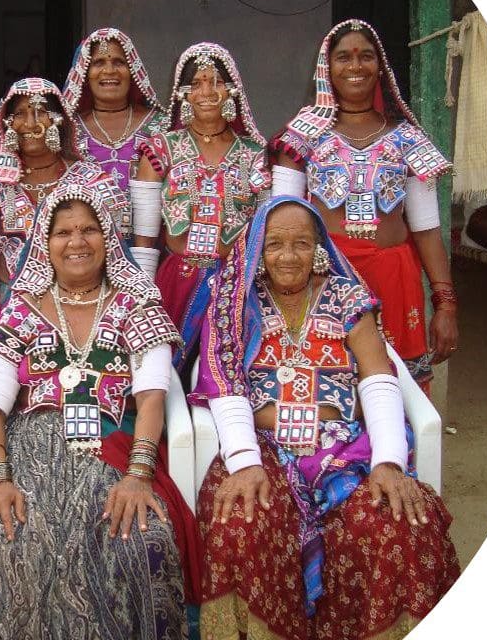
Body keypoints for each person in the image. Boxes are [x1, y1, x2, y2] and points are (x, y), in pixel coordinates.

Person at [190, 196, 460, 640]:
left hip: (341, 448)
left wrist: (389, 462)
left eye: (301, 243)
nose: (288, 256)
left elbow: (378, 376)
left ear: (319, 246)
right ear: (258, 247)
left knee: (397, 525)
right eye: (275, 244)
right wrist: (244, 461)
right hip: (264, 448)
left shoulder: (345, 296)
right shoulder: (234, 303)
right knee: (238, 519)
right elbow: (227, 385)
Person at [0, 181, 199, 640]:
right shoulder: (22, 309)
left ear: (109, 239)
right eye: (63, 232)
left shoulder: (137, 305)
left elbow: (152, 396)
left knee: (139, 543)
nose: (76, 242)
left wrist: (138, 476)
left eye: (89, 230)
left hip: (113, 453)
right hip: (29, 456)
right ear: (46, 241)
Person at [270, 19, 458, 387]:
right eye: (344, 57)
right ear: (328, 68)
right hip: (326, 280)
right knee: (328, 389)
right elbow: (279, 225)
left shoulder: (408, 139)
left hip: (395, 281)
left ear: (380, 66)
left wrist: (447, 304)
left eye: (365, 56)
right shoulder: (300, 138)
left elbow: (427, 229)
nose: (355, 66)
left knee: (398, 390)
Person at [0, 77, 131, 372]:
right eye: (21, 114)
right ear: (7, 123)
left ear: (60, 121)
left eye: (41, 112)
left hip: (86, 310)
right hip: (12, 312)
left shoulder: (93, 181)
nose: (31, 123)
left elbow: (118, 260)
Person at [134, 42, 270, 375]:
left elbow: (268, 231)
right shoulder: (159, 150)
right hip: (175, 282)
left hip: (236, 284)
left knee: (229, 377)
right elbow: (145, 237)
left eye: (215, 81)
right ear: (183, 94)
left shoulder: (256, 154)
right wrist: (141, 295)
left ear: (232, 90)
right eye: (196, 83)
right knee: (166, 376)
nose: (206, 91)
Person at [62, 27, 170, 194]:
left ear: (132, 72)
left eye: (119, 62)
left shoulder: (162, 124)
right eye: (98, 63)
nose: (109, 71)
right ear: (85, 74)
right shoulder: (68, 129)